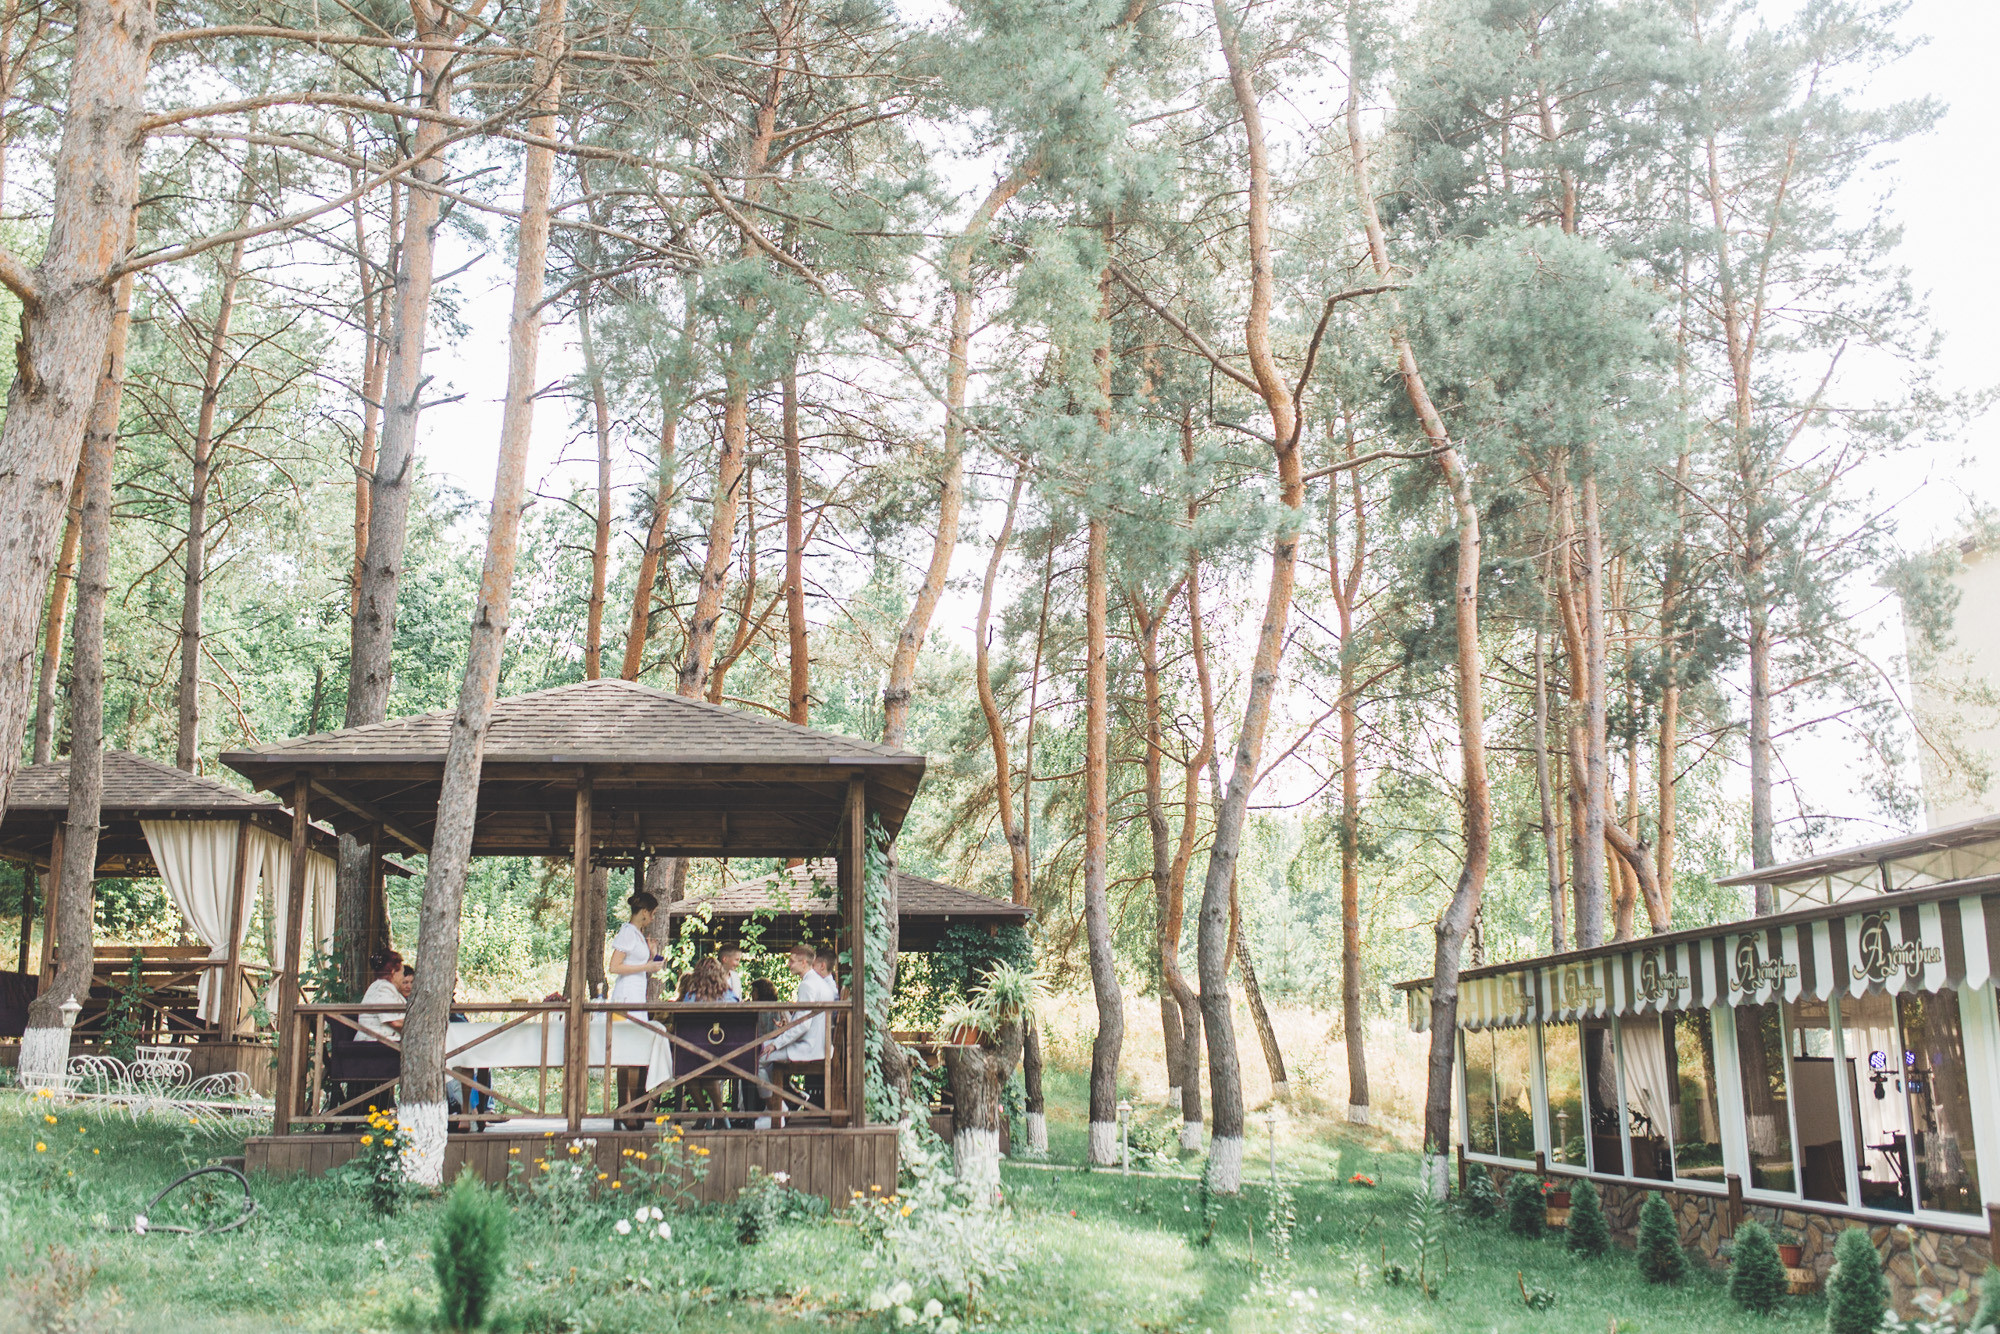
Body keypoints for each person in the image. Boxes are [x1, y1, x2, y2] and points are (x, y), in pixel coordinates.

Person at [764, 943, 837, 1117]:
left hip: (809, 1048)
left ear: (804, 963)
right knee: (763, 1053)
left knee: (758, 1057)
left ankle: (778, 1111)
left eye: (792, 961)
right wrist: (787, 1027)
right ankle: (786, 1102)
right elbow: (805, 1020)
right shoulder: (818, 983)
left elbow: (804, 1025)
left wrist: (776, 1044)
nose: (788, 964)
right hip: (819, 1044)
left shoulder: (808, 985)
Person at [607, 892, 669, 1017]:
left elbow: (639, 963)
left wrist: (654, 955)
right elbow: (614, 967)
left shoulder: (637, 933)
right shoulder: (628, 932)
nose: (653, 918)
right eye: (653, 913)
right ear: (645, 912)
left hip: (637, 991)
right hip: (627, 992)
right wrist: (646, 967)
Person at [355, 951, 410, 1043]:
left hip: (384, 1041)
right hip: (376, 1044)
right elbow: (394, 1022)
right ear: (393, 972)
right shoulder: (382, 988)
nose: (402, 978)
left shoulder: (384, 987)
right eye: (402, 973)